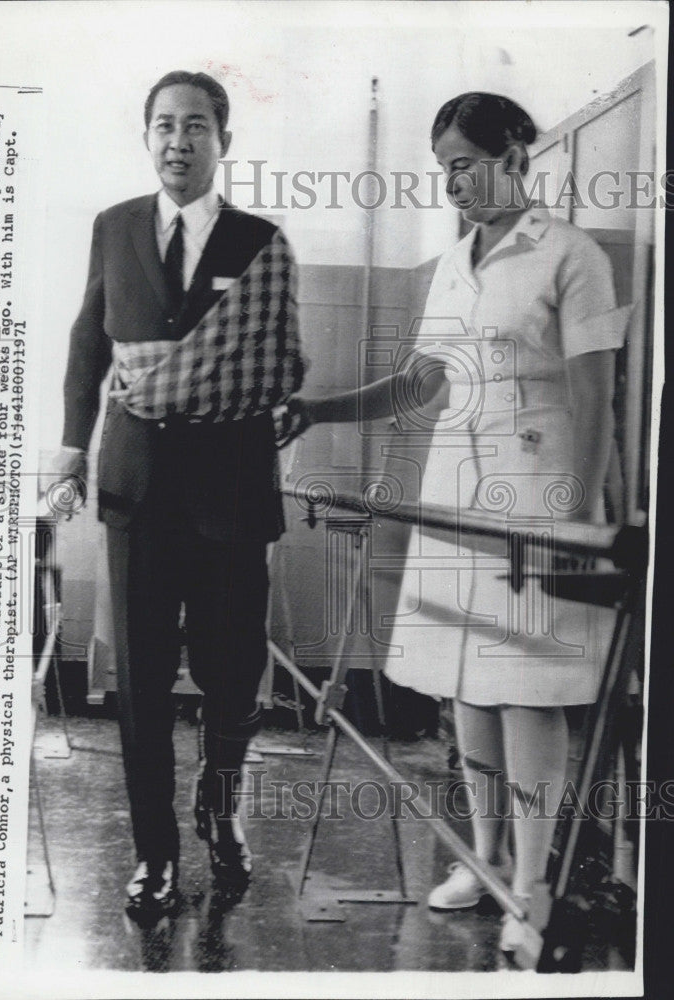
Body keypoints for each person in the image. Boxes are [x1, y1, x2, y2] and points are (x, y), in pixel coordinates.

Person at [279, 92, 628, 956]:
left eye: (464, 165)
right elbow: (417, 386)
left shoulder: (571, 255)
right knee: (464, 683)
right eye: (443, 170)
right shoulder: (451, 264)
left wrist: (577, 522)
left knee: (523, 689)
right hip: (456, 495)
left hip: (539, 493)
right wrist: (317, 408)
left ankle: (533, 888)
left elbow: (596, 396)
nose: (452, 185)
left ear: (516, 153)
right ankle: (482, 858)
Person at [57, 70, 304, 920]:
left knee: (233, 679)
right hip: (135, 491)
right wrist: (68, 448)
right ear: (147, 135)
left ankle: (219, 809)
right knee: (144, 685)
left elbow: (279, 364)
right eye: (163, 125)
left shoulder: (260, 241)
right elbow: (89, 344)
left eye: (195, 125)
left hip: (232, 492)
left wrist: (224, 384)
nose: (177, 141)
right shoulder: (115, 228)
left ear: (222, 139)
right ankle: (154, 855)